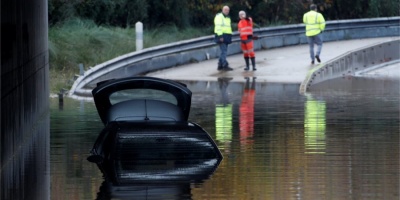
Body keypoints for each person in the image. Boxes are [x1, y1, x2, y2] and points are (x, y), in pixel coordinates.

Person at [214, 5, 233, 71]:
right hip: (221, 36)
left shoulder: (227, 18)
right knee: (224, 51)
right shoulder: (219, 16)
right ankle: (224, 65)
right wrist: (220, 36)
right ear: (222, 10)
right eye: (225, 10)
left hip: (227, 36)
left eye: (228, 10)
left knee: (223, 51)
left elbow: (227, 28)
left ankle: (220, 65)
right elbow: (218, 27)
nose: (227, 11)